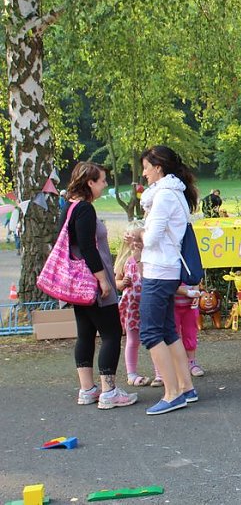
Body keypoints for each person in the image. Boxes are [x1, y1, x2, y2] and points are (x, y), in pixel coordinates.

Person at [125, 145, 199, 415]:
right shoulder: (174, 193)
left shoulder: (164, 196)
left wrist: (138, 236)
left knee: (151, 332)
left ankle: (172, 393)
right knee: (167, 330)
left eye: (146, 167)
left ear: (158, 167)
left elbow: (153, 237)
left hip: (159, 270)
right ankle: (185, 387)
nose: (143, 173)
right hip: (168, 270)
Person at [64, 162, 137, 410]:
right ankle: (109, 391)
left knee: (85, 333)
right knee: (111, 334)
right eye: (102, 180)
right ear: (90, 183)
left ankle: (88, 389)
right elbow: (87, 247)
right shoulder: (84, 209)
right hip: (91, 281)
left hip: (76, 284)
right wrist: (103, 280)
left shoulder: (68, 207)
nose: (105, 185)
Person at [115, 221, 151, 388]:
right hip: (131, 306)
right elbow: (116, 281)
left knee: (154, 338)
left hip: (148, 304)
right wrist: (122, 283)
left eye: (139, 238)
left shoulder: (148, 257)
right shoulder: (124, 260)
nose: (136, 242)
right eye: (132, 238)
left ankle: (160, 373)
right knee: (132, 340)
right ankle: (131, 373)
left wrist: (139, 258)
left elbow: (146, 276)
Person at [175, 283, 204, 377]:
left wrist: (196, 293)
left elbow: (195, 279)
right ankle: (177, 364)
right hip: (172, 305)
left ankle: (192, 362)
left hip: (190, 306)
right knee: (173, 336)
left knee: (190, 333)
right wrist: (188, 292)